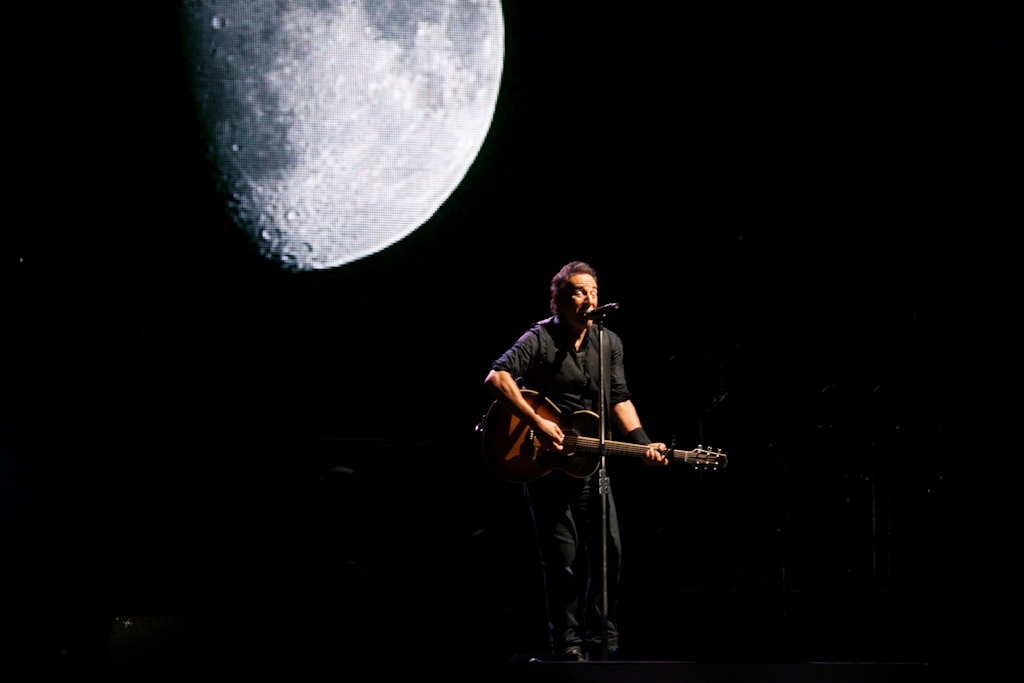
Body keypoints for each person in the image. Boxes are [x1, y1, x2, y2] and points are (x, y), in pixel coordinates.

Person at [484, 261, 667, 660]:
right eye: (580, 292)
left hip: (589, 464)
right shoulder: (540, 337)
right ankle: (568, 646)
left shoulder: (608, 342)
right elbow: (497, 377)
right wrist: (536, 421)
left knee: (609, 551)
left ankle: (604, 641)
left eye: (593, 292)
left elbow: (618, 397)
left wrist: (643, 444)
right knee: (561, 559)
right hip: (543, 461)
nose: (589, 299)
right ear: (559, 300)